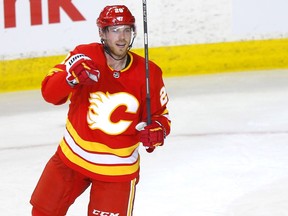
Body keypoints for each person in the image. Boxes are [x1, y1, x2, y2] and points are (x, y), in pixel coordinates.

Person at [30, 5, 171, 216]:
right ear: (102, 33)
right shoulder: (83, 56)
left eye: (126, 29)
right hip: (71, 158)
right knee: (42, 212)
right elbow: (50, 94)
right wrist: (70, 77)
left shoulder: (149, 72)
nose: (122, 37)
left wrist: (157, 131)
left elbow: (161, 116)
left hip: (117, 170)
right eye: (115, 30)